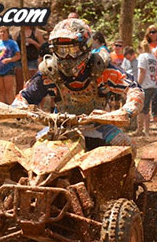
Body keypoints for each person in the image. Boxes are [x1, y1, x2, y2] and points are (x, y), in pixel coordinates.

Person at [12, 18, 144, 153]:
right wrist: (17, 107)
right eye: (62, 51)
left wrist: (128, 109)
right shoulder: (49, 72)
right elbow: (26, 95)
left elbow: (133, 88)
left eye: (72, 50)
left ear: (85, 47)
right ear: (53, 50)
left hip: (97, 126)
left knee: (127, 146)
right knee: (35, 147)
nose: (67, 56)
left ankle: (133, 175)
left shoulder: (100, 68)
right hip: (60, 126)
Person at [133, 40, 157, 137]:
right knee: (146, 109)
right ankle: (146, 130)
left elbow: (142, 71)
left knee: (140, 108)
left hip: (145, 85)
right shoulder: (153, 57)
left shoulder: (143, 57)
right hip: (152, 84)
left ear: (140, 48)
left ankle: (140, 129)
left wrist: (138, 84)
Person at [0, 26, 20, 104]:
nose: (3, 33)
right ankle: (2, 109)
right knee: (1, 91)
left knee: (9, 90)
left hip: (9, 68)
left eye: (4, 32)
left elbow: (18, 56)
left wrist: (9, 60)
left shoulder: (12, 43)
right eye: (1, 32)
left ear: (8, 33)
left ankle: (11, 108)